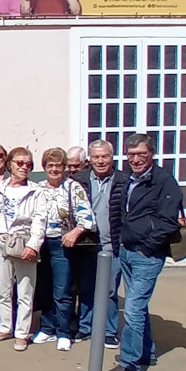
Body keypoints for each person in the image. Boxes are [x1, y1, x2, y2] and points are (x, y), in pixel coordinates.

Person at [105, 133, 184, 371]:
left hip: (146, 255)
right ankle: (146, 353)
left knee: (133, 309)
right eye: (131, 155)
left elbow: (168, 220)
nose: (136, 159)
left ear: (151, 154)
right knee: (137, 307)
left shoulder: (164, 180)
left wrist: (148, 247)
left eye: (141, 154)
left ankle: (129, 363)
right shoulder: (129, 178)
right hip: (127, 250)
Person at [29, 148, 96, 352]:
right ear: (44, 167)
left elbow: (87, 218)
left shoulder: (73, 187)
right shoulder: (37, 188)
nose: (55, 169)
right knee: (44, 289)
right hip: (41, 244)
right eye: (50, 165)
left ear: (64, 167)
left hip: (62, 244)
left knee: (63, 290)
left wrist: (74, 233)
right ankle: (47, 327)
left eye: (58, 165)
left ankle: (64, 331)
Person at [72, 139, 128, 348]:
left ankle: (109, 331)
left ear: (112, 158)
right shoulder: (79, 180)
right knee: (86, 288)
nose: (101, 161)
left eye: (105, 156)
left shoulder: (124, 179)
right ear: (90, 159)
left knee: (110, 290)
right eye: (96, 157)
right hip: (87, 245)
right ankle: (85, 327)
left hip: (113, 245)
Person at [0, 146, 45, 351]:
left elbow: (41, 220)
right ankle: (5, 327)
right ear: (10, 164)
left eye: (28, 164)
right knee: (2, 289)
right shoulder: (0, 187)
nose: (24, 167)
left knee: (25, 290)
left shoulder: (36, 191)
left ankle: (22, 333)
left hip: (23, 243)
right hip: (0, 242)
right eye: (20, 163)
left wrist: (33, 245)